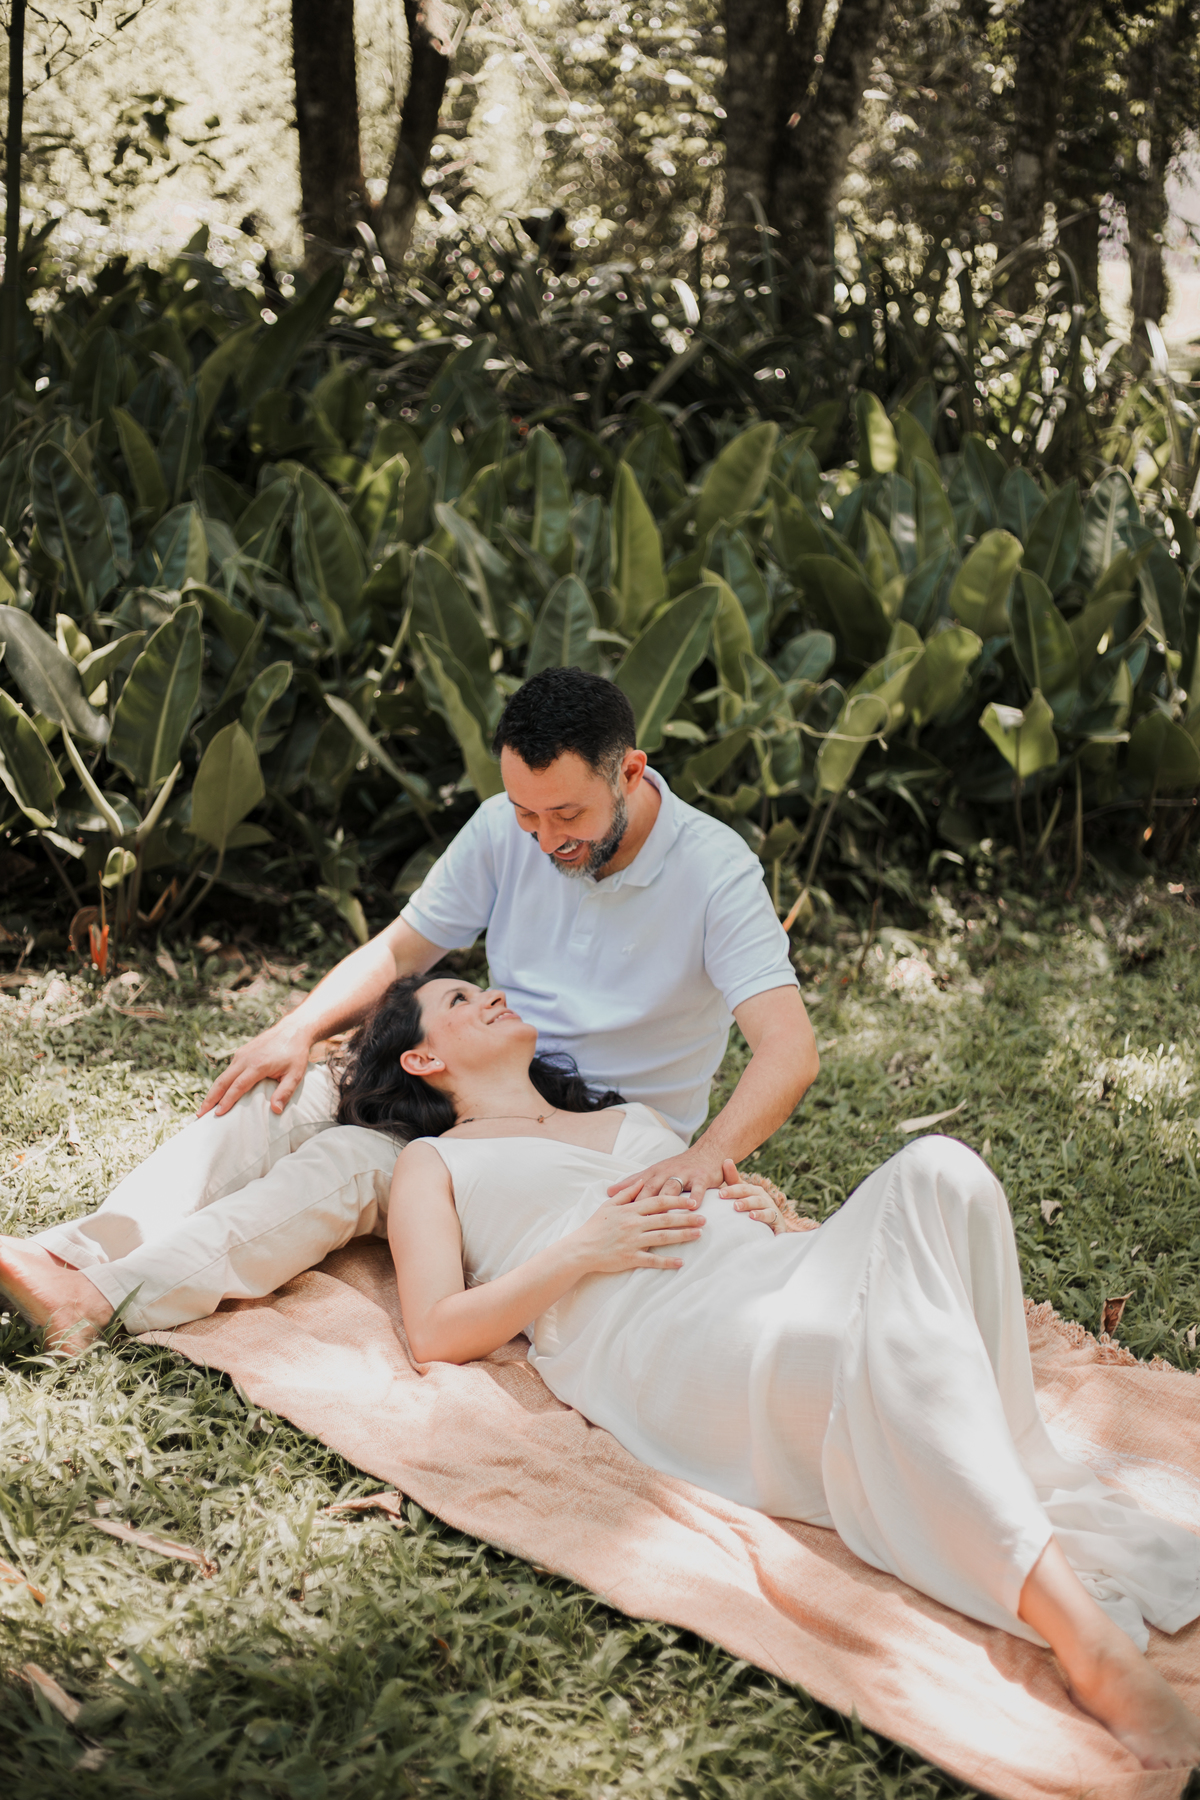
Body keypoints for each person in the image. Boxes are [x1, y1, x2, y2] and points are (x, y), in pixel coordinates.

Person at [354, 970, 1200, 1774]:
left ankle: (994, 1470)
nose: (491, 994)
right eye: (460, 998)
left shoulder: (631, 1119)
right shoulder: (437, 1162)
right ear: (422, 1058)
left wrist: (753, 1212)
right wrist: (581, 1251)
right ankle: (1083, 1638)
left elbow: (710, 1207)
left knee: (943, 1170)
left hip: (774, 1273)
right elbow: (434, 1331)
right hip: (669, 1337)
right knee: (895, 1347)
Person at [0, 669, 817, 1349]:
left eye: (567, 815)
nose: (543, 839)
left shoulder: (715, 871)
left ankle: (98, 1301)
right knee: (279, 1092)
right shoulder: (504, 829)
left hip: (589, 1140)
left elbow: (789, 1051)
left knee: (349, 1161)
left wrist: (704, 1158)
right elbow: (399, 953)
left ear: (631, 773)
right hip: (469, 1070)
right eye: (527, 813)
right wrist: (297, 1028)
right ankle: (70, 1256)